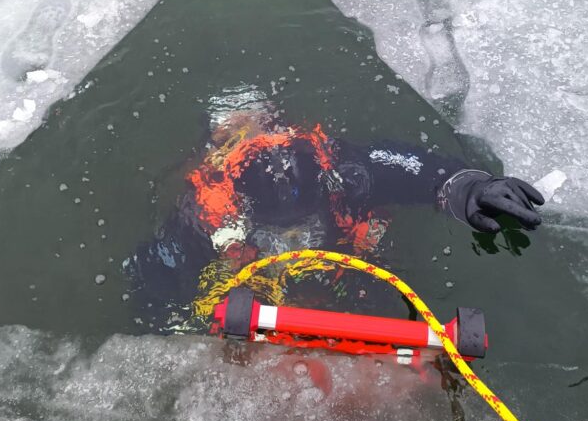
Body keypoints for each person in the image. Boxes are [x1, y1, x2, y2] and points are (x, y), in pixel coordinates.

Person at [125, 103, 543, 332]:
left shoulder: (344, 169)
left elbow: (417, 170)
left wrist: (469, 190)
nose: (293, 240)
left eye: (303, 225)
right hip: (254, 298)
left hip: (353, 276)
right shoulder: (206, 208)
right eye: (279, 231)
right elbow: (155, 276)